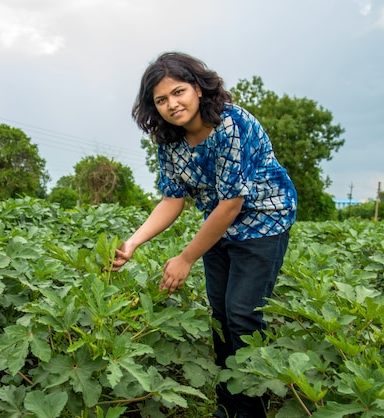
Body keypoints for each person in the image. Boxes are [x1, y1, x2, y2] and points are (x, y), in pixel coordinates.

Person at [111, 52, 297, 418]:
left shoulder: (231, 124)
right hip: (217, 227)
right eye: (160, 100)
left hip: (264, 220)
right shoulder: (169, 140)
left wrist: (185, 258)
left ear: (197, 88)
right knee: (220, 316)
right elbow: (172, 198)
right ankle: (227, 407)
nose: (171, 104)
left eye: (177, 92)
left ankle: (251, 408)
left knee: (243, 314)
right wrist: (133, 241)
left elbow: (231, 203)